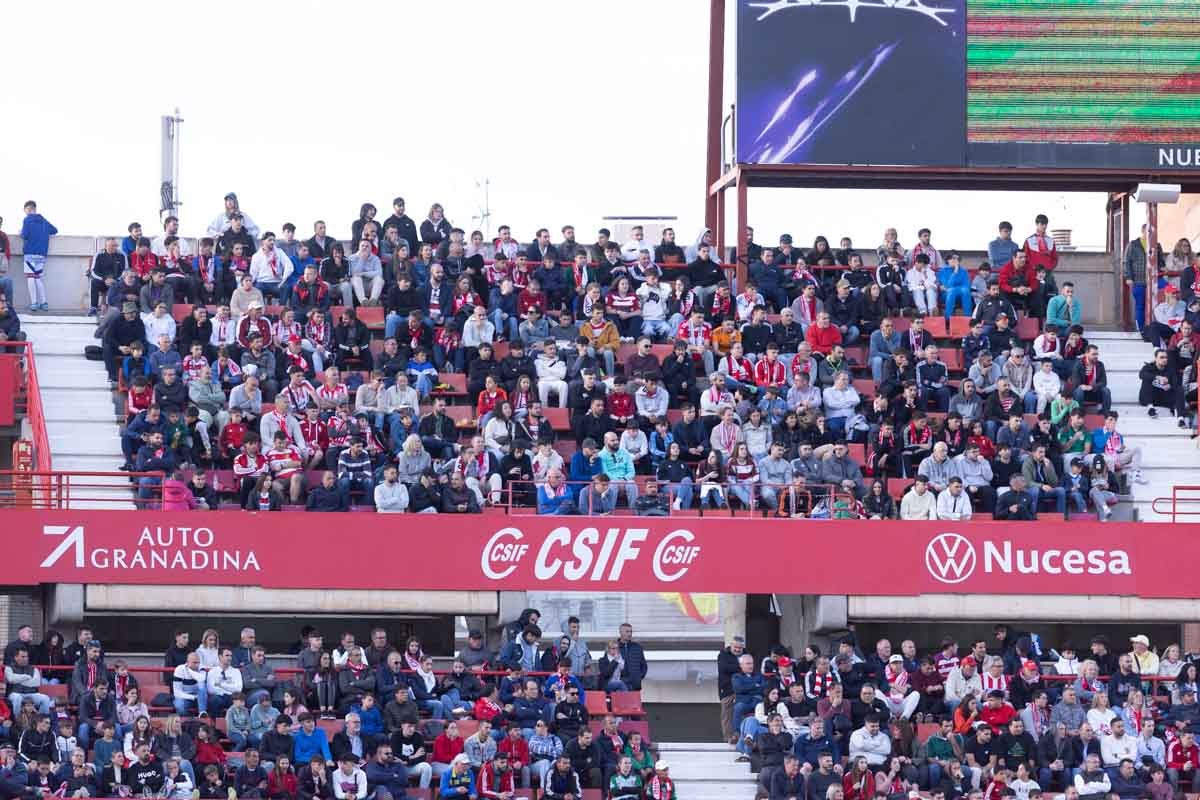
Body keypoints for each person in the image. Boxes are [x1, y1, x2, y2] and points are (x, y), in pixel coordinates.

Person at [19, 201, 56, 312]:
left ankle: (34, 303)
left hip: (30, 253)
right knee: (38, 278)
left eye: (25, 210)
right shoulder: (44, 220)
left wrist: (21, 232)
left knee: (30, 277)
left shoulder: (27, 219)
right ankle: (44, 303)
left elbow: (24, 235)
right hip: (41, 254)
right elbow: (54, 230)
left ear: (29, 209)